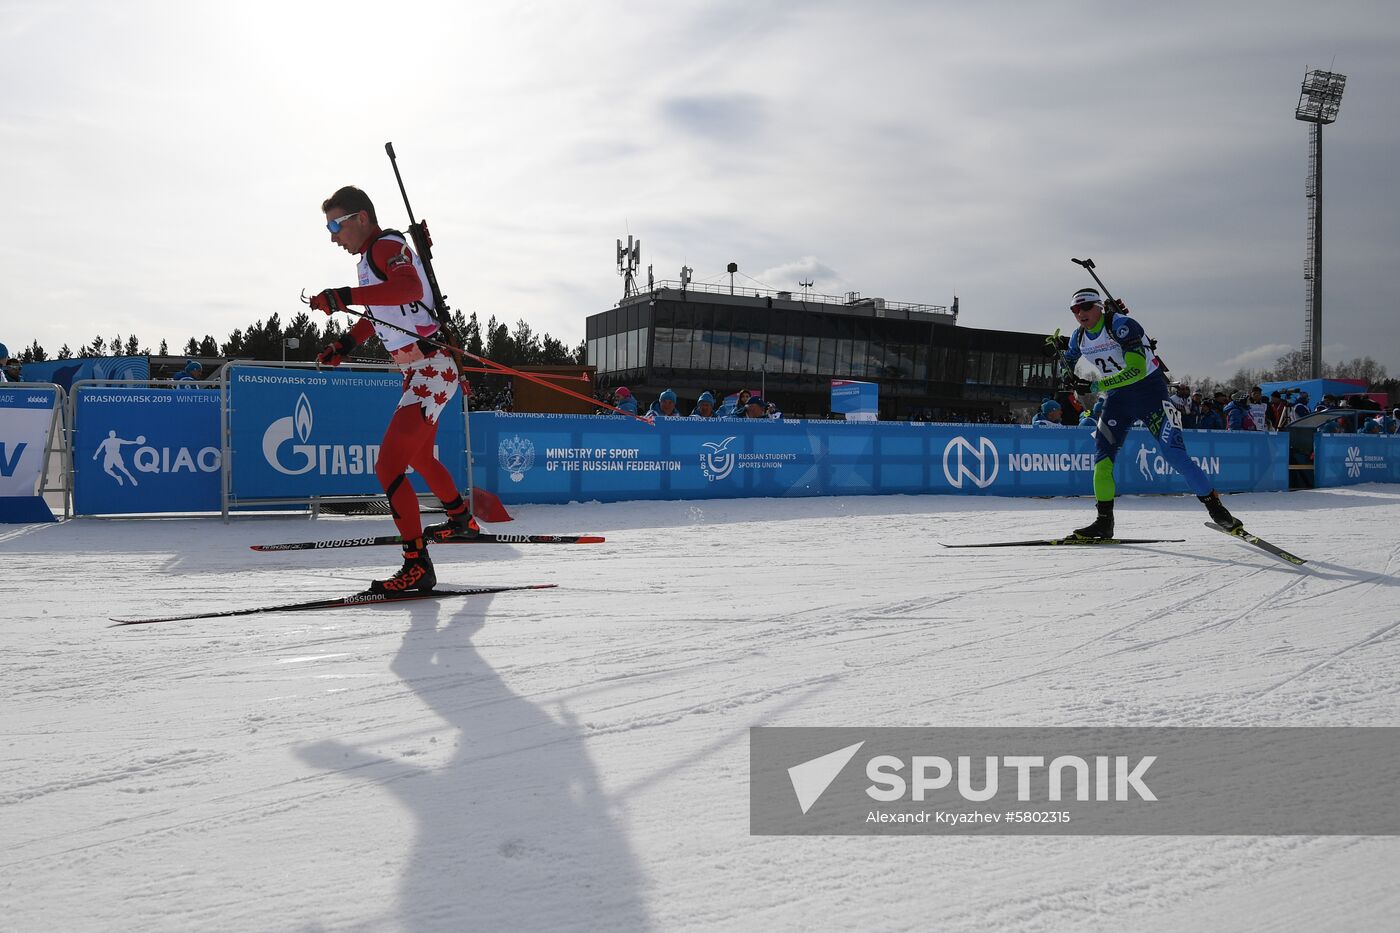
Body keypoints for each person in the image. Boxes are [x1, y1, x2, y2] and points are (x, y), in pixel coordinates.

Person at [309, 185, 477, 594]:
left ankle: (416, 564)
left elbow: (408, 290)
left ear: (360, 217)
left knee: (388, 467)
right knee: (418, 456)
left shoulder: (385, 246)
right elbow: (379, 311)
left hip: (431, 367)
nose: (333, 235)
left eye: (336, 224)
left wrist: (341, 295)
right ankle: (461, 520)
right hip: (422, 368)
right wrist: (345, 344)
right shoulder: (371, 259)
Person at [1057, 287, 1241, 538]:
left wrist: (1096, 385)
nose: (1081, 314)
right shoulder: (1078, 337)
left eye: (1086, 307)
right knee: (1102, 460)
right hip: (1118, 400)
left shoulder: (1122, 325)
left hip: (1149, 394)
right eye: (1075, 310)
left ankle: (1218, 511)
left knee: (1175, 455)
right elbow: (1068, 361)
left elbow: (1136, 370)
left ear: (1100, 307)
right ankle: (1104, 521)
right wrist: (1059, 360)